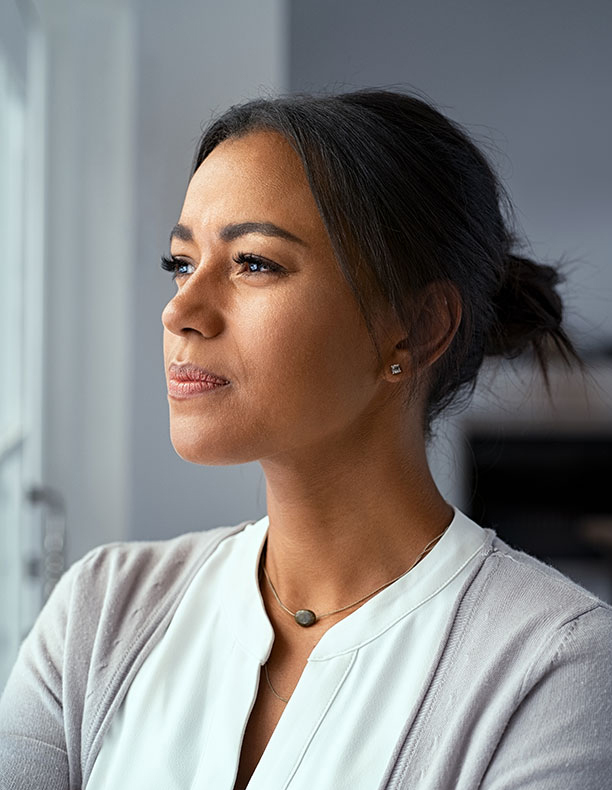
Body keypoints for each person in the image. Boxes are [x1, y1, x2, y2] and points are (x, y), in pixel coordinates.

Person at [1, 89, 610, 790]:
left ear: (415, 327)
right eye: (181, 263)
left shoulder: (557, 671)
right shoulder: (102, 610)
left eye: (254, 263)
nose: (180, 311)